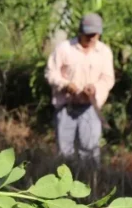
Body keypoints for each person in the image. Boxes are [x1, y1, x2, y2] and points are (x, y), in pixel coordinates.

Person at [44, 13, 115, 164]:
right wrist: (65, 85)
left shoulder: (104, 52)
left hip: (90, 108)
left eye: (94, 34)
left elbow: (108, 78)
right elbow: (51, 73)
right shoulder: (64, 48)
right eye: (88, 34)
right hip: (66, 107)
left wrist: (95, 88)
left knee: (89, 153)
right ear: (80, 32)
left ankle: (90, 178)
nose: (91, 38)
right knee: (64, 153)